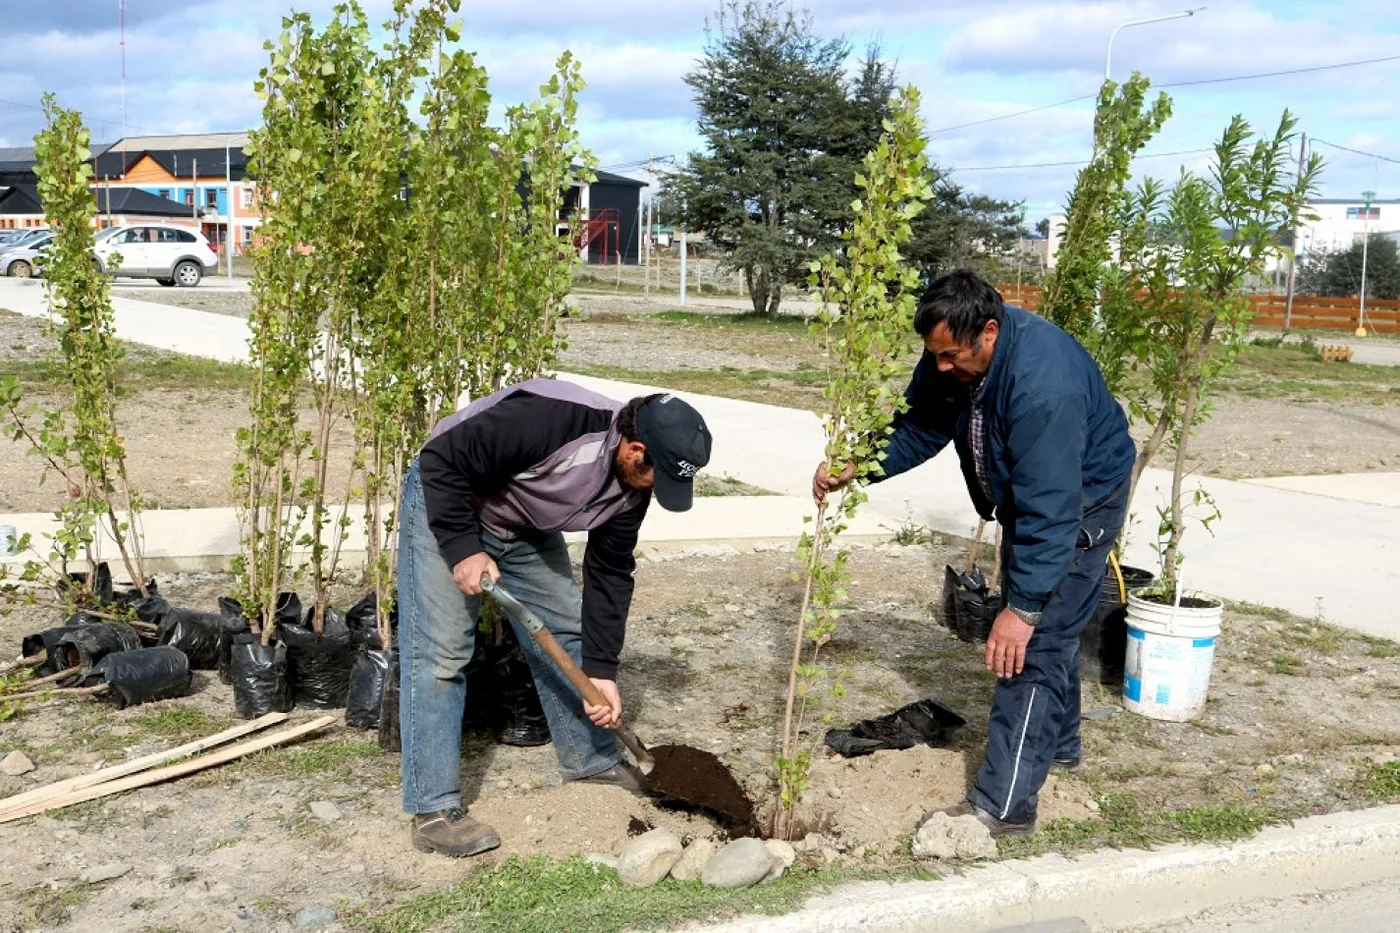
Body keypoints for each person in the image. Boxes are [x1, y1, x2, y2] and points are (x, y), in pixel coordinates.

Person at [813, 270, 1134, 837]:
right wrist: (857, 464)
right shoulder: (954, 352)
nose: (940, 367)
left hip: (1079, 504)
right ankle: (1057, 749)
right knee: (1044, 629)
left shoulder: (1042, 387)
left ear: (989, 331)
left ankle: (1003, 807)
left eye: (951, 355)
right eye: (932, 354)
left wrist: (1023, 608)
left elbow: (1051, 511)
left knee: (1031, 643)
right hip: (1037, 500)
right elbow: (921, 424)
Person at [399, 378, 712, 857]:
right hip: (451, 500)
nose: (657, 489)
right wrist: (464, 548)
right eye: (659, 475)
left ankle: (591, 761)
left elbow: (609, 571)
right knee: (442, 654)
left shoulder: (632, 488)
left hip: (522, 522)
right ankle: (433, 810)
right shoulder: (552, 420)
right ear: (634, 449)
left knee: (568, 631)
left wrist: (603, 673)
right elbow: (442, 458)